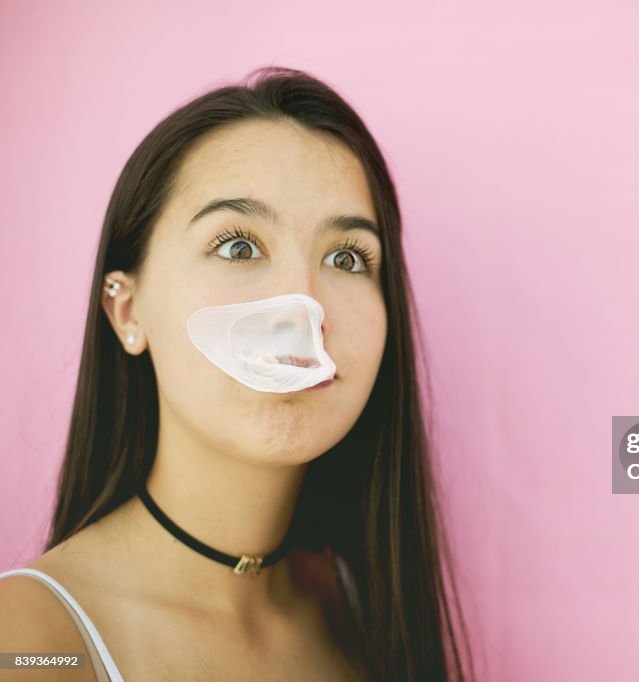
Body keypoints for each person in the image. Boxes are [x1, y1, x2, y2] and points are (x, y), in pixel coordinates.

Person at [0, 66, 473, 682]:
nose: (302, 309)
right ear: (127, 309)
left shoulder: (362, 609)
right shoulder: (30, 642)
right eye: (238, 247)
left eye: (346, 256)